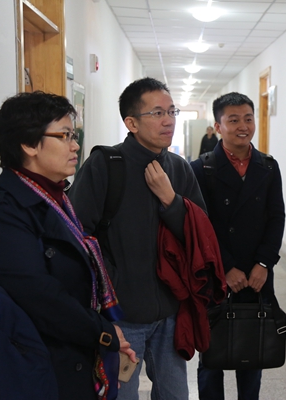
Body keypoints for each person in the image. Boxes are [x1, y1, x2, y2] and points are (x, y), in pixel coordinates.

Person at [0, 91, 136, 400]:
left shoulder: (54, 198)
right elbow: (40, 297)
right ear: (29, 144)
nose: (75, 145)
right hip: (30, 370)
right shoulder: (3, 212)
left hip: (66, 358)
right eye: (64, 135)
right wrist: (102, 332)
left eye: (74, 135)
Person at [68, 77, 206, 400]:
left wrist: (171, 201)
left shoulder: (179, 169)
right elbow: (76, 234)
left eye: (172, 111)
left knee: (175, 395)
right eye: (157, 113)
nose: (168, 120)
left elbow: (200, 233)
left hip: (170, 312)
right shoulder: (105, 165)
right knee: (122, 395)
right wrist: (108, 292)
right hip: (121, 316)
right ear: (131, 123)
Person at [190, 92, 285, 400]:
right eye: (233, 120)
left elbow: (277, 217)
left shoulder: (268, 167)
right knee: (212, 353)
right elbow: (201, 226)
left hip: (257, 274)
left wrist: (264, 264)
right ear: (218, 126)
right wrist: (226, 267)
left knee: (252, 348)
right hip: (216, 274)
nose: (243, 126)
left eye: (248, 118)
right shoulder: (202, 168)